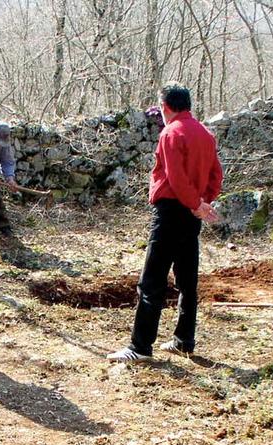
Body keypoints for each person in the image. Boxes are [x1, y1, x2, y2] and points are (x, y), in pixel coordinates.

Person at [107, 84, 223, 362]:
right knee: (187, 280)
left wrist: (196, 203)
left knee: (152, 281)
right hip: (191, 214)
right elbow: (216, 175)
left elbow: (175, 177)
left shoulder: (171, 132)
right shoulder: (205, 133)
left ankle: (140, 347)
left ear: (166, 106)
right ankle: (184, 340)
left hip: (171, 210)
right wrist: (203, 202)